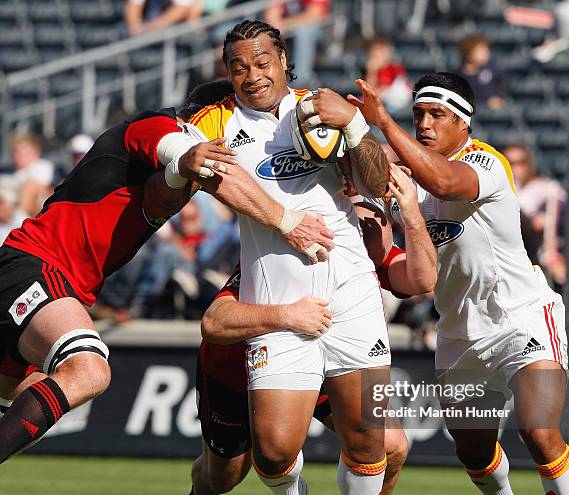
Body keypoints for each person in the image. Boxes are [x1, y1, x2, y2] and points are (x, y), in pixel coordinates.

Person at [188, 19, 431, 495]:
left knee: (370, 433)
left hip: (349, 288)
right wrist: (285, 220)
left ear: (284, 60)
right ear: (228, 73)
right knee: (273, 451)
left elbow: (374, 183)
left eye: (263, 61)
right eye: (240, 66)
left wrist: (357, 127)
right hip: (276, 291)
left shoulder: (320, 106)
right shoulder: (214, 121)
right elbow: (210, 177)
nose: (253, 75)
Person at [349, 72, 569, 495]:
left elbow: (442, 182)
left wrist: (380, 121)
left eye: (435, 115)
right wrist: (354, 132)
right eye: (418, 113)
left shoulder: (485, 162)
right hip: (462, 335)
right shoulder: (408, 177)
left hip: (523, 318)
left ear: (463, 122)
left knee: (539, 430)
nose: (423, 123)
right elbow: (377, 192)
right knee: (472, 449)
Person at [0, 85, 333, 468]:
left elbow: (171, 183)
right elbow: (178, 152)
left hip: (52, 279)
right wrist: (287, 221)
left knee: (18, 403)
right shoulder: (154, 125)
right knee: (88, 368)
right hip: (36, 264)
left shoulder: (172, 178)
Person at [175, 256, 415, 495]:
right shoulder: (275, 256)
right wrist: (287, 314)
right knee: (224, 477)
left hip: (328, 366)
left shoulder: (361, 238)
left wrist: (411, 215)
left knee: (391, 444)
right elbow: (215, 322)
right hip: (235, 373)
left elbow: (416, 279)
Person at [504, 144, 566, 288]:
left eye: (521, 162)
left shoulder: (545, 187)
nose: (516, 167)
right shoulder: (499, 189)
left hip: (536, 250)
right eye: (511, 163)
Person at [264, 0, 329, 84]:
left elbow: (314, 14)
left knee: (304, 30)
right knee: (266, 32)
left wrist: (285, 24)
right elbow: (271, 14)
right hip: (289, 31)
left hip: (321, 29)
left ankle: (300, 81)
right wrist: (276, 25)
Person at [7, 133, 55, 217]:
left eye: (24, 153)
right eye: (15, 151)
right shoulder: (8, 173)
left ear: (36, 152)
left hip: (33, 217)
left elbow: (31, 192)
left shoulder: (42, 166)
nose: (18, 156)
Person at [364, 37, 412, 115]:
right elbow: (369, 91)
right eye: (372, 56)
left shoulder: (393, 68)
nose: (373, 60)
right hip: (386, 104)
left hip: (397, 105)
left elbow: (374, 92)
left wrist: (371, 72)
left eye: (376, 56)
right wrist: (371, 72)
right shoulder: (376, 71)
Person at [458, 34, 504, 111]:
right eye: (480, 50)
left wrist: (499, 99)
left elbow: (503, 87)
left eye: (486, 50)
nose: (486, 53)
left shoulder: (493, 69)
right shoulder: (460, 76)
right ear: (468, 52)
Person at [124, 0, 196, 36]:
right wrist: (135, 26)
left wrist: (148, 28)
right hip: (146, 30)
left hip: (173, 33)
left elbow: (181, 11)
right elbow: (133, 8)